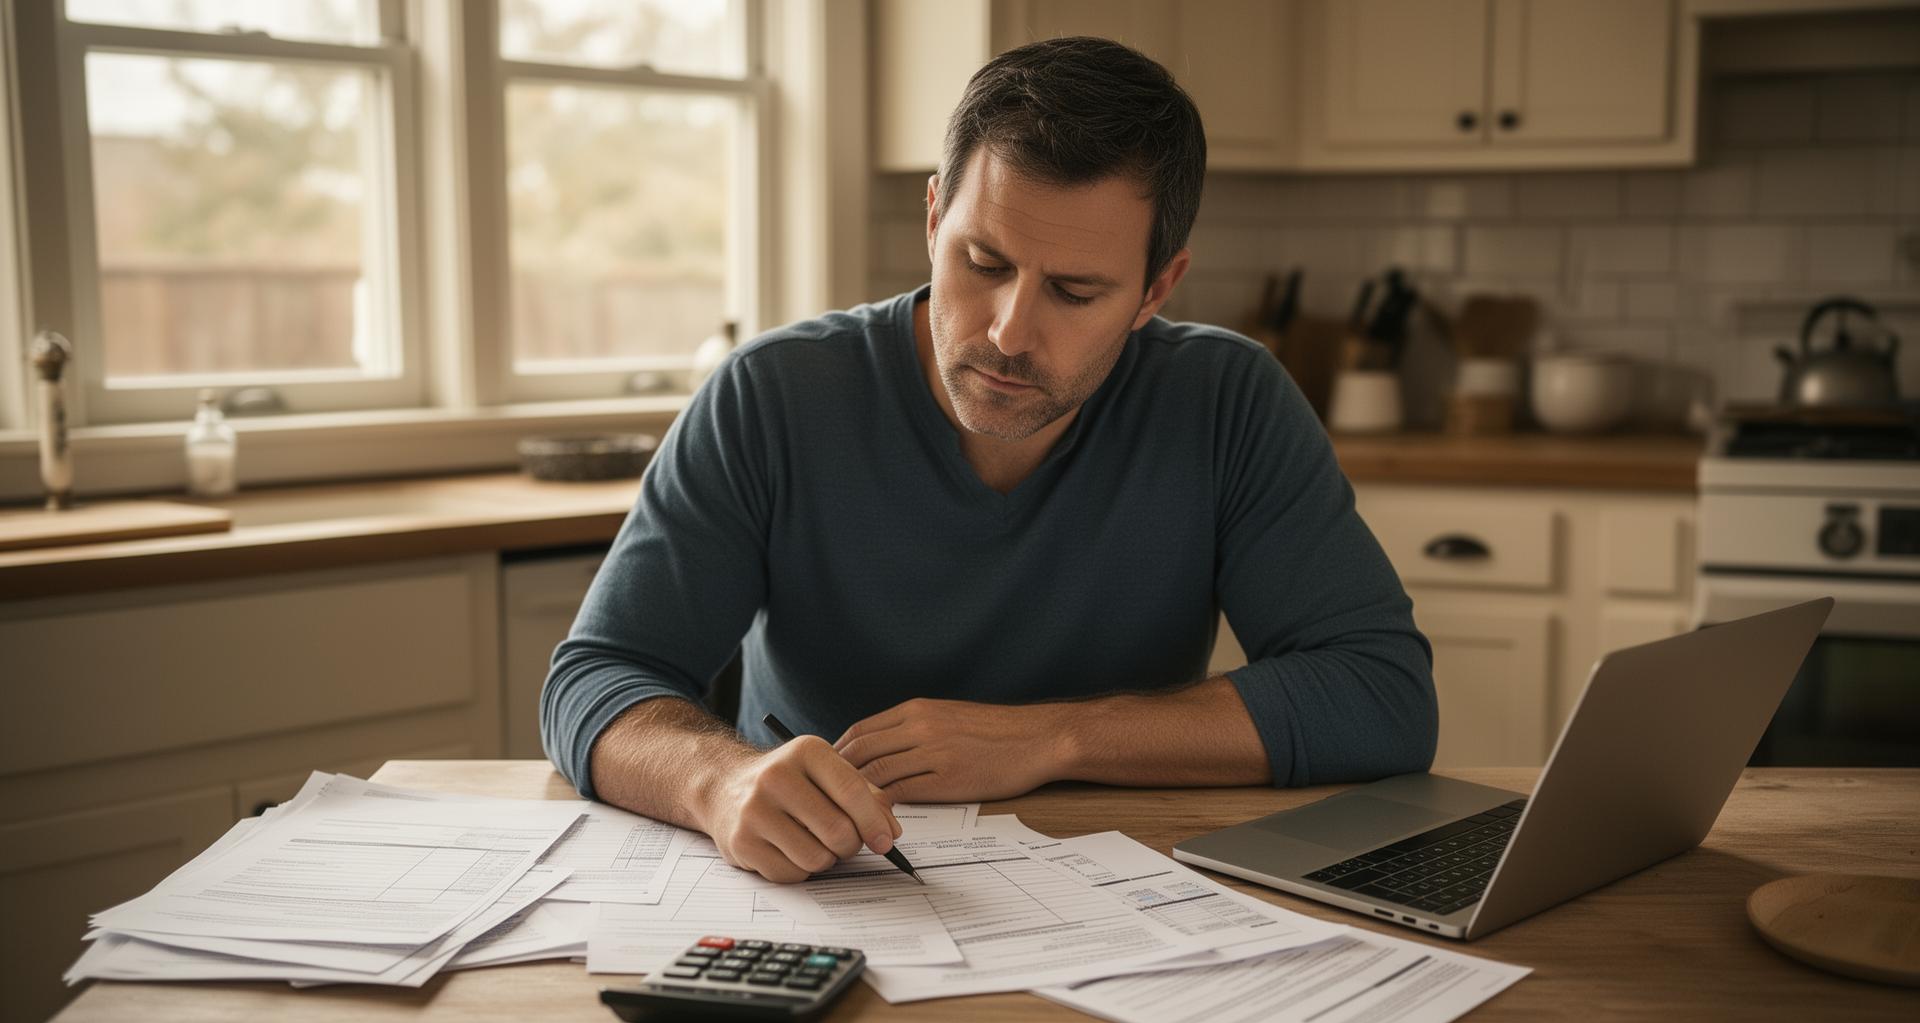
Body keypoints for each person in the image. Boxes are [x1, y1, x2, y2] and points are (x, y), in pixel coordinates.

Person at [542, 36, 1437, 883]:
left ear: (1156, 289)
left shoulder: (1227, 400)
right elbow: (595, 680)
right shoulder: (770, 394)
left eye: (1075, 291)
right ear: (934, 217)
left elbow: (1381, 695)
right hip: (831, 882)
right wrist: (717, 782)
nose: (1010, 332)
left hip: (1130, 892)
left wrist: (1052, 738)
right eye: (983, 262)